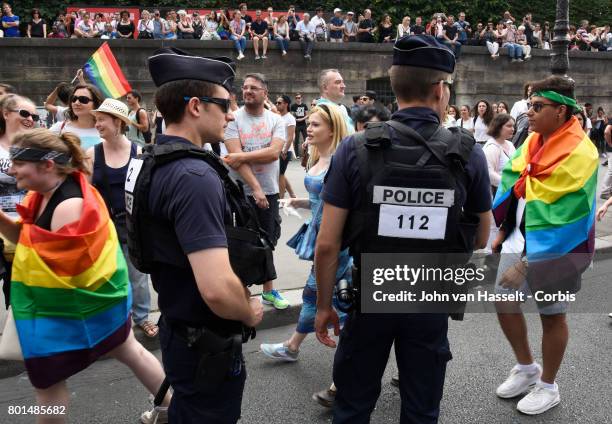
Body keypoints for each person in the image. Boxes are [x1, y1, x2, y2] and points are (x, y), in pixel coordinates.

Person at [314, 35, 491, 423]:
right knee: (421, 409)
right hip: (429, 295)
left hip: (370, 293)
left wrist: (325, 306)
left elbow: (327, 244)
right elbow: (480, 236)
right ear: (440, 90)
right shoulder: (468, 151)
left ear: (394, 88)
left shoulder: (356, 148)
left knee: (353, 405)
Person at [1, 128, 170, 423]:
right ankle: (171, 407)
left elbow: (58, 271)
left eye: (18, 162)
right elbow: (29, 237)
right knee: (130, 350)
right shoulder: (43, 193)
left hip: (69, 313)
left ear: (47, 165)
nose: (11, 169)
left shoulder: (69, 205)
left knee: (48, 388)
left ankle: (171, 407)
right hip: (100, 306)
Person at [141, 47, 263, 422]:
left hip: (181, 325)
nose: (230, 114)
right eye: (224, 104)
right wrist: (250, 312)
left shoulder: (154, 158)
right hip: (206, 338)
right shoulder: (194, 177)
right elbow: (215, 288)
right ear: (195, 105)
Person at [491, 76, 597, 415]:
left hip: (557, 250)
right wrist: (502, 229)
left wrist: (525, 263)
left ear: (562, 110)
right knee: (503, 303)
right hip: (518, 239)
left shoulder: (582, 152)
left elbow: (568, 218)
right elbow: (516, 181)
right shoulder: (534, 140)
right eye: (529, 105)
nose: (529, 112)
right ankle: (526, 368)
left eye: (538, 106)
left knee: (552, 316)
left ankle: (548, 386)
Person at [260, 103, 350, 406]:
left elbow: (341, 207)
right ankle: (294, 347)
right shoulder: (317, 157)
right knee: (325, 298)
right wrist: (299, 203)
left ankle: (341, 376)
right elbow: (321, 201)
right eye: (308, 124)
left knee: (331, 303)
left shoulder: (340, 160)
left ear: (333, 129)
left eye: (315, 125)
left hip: (337, 245)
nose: (308, 129)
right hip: (321, 240)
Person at [87, 99, 158, 339]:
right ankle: (117, 319)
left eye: (101, 120)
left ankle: (142, 317)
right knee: (108, 275)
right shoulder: (92, 154)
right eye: (96, 120)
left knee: (137, 276)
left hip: (133, 225)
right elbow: (85, 195)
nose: (97, 125)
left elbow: (149, 190)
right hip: (103, 228)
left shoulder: (139, 151)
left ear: (118, 122)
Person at [223, 73, 290, 310]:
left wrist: (241, 154)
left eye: (254, 88)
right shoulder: (232, 119)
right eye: (245, 87)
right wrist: (255, 188)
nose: (247, 91)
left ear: (265, 93)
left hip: (270, 191)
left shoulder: (276, 120)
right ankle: (243, 291)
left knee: (268, 239)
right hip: (240, 193)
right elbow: (235, 161)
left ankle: (269, 291)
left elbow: (274, 153)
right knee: (241, 241)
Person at [0, 94, 33, 305]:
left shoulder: (36, 147)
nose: (30, 118)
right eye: (24, 113)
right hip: (2, 225)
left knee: (20, 287)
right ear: (5, 114)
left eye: (34, 115)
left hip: (26, 228)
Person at [483, 113, 515, 250]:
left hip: (509, 194)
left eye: (513, 126)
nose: (512, 129)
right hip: (496, 194)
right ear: (498, 127)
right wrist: (508, 184)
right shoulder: (491, 147)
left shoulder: (510, 144)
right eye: (509, 126)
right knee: (494, 226)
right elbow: (489, 174)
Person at [49, 83, 103, 150]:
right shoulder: (60, 127)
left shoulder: (105, 129)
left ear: (96, 103)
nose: (76, 103)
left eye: (83, 99)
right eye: (74, 99)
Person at [316, 69, 355, 134]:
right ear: (325, 88)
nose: (343, 86)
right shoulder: (322, 112)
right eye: (338, 82)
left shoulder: (341, 108)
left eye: (343, 82)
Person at [276, 95, 296, 199]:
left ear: (286, 104)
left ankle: (281, 198)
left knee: (280, 174)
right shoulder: (278, 117)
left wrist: (284, 150)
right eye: (276, 103)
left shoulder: (290, 118)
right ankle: (292, 195)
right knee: (281, 173)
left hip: (285, 150)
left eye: (279, 103)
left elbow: (290, 137)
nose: (277, 104)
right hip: (278, 149)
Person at [290, 93, 308, 157]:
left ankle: (307, 154)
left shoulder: (304, 105)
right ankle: (297, 155)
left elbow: (307, 115)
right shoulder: (293, 106)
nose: (298, 99)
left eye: (299, 98)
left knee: (306, 139)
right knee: (296, 140)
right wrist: (296, 119)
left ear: (301, 98)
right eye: (296, 98)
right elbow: (291, 115)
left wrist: (302, 119)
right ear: (295, 99)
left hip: (303, 124)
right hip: (296, 125)